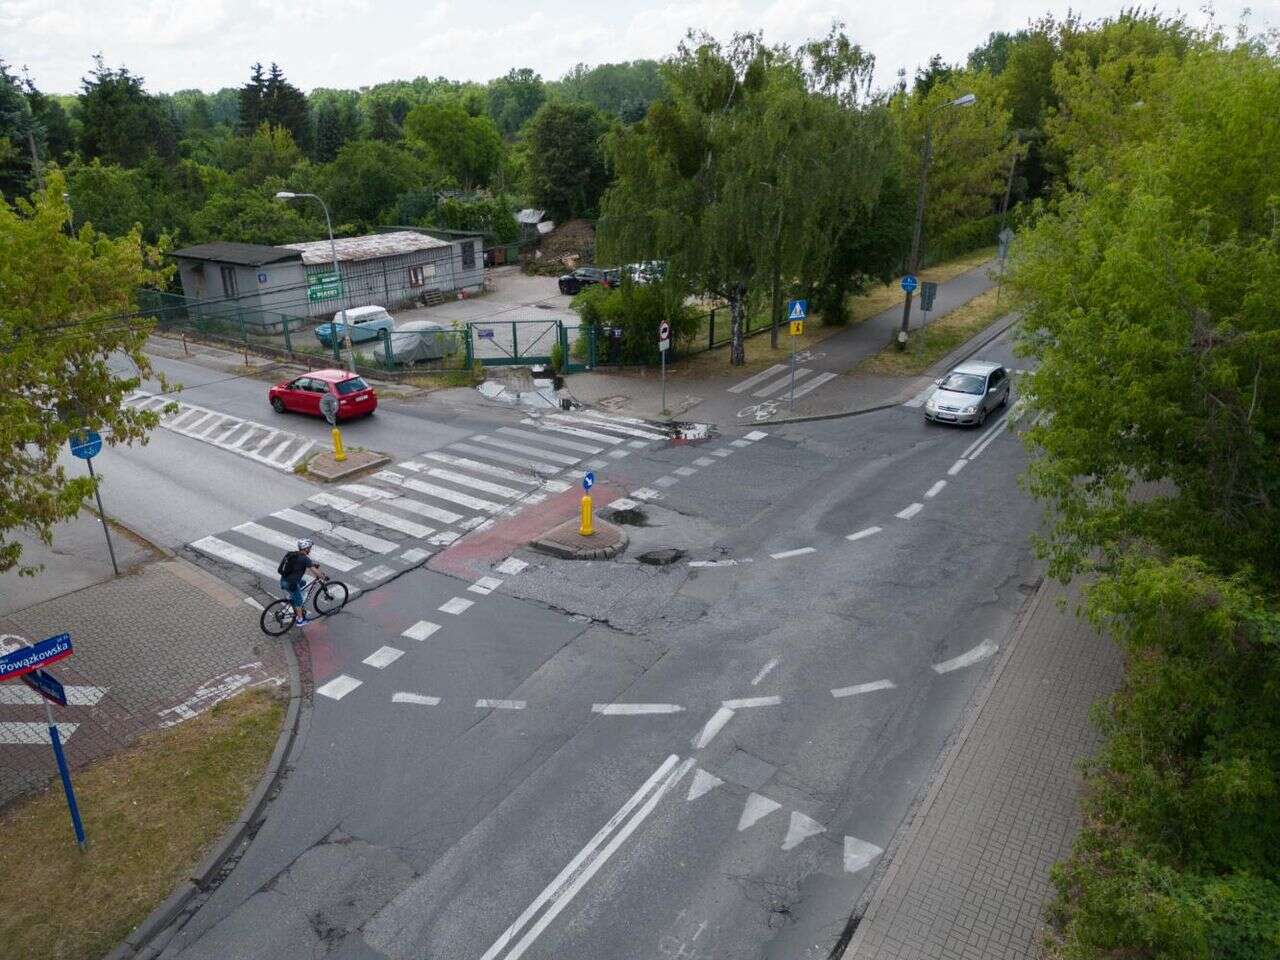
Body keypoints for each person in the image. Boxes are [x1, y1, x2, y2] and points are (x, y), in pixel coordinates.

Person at [278, 539, 323, 627]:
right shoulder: (305, 558)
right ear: (306, 549)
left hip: (283, 580)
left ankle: (292, 597)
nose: (310, 549)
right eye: (309, 548)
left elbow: (298, 564)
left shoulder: (293, 554)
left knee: (303, 582)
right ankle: (300, 620)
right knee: (299, 602)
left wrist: (312, 565)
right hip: (291, 584)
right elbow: (316, 572)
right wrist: (323, 577)